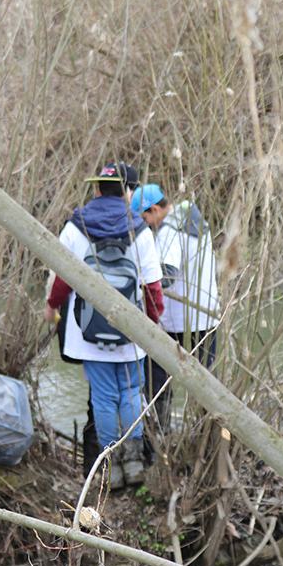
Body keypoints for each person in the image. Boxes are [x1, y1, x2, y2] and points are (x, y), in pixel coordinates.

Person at [43, 162, 164, 489]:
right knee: (131, 392)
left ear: (97, 189)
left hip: (87, 331)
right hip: (130, 330)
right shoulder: (139, 227)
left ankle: (109, 469)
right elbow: (152, 286)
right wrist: (150, 324)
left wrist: (52, 306)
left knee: (103, 396)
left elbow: (61, 279)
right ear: (129, 193)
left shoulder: (75, 226)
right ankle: (134, 462)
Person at [131, 183, 220, 430]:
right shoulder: (193, 219)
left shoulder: (171, 230)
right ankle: (206, 433)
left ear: (156, 209)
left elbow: (167, 275)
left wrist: (139, 279)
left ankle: (160, 432)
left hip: (178, 321)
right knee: (207, 382)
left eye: (145, 217)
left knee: (156, 377)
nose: (146, 224)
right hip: (207, 316)